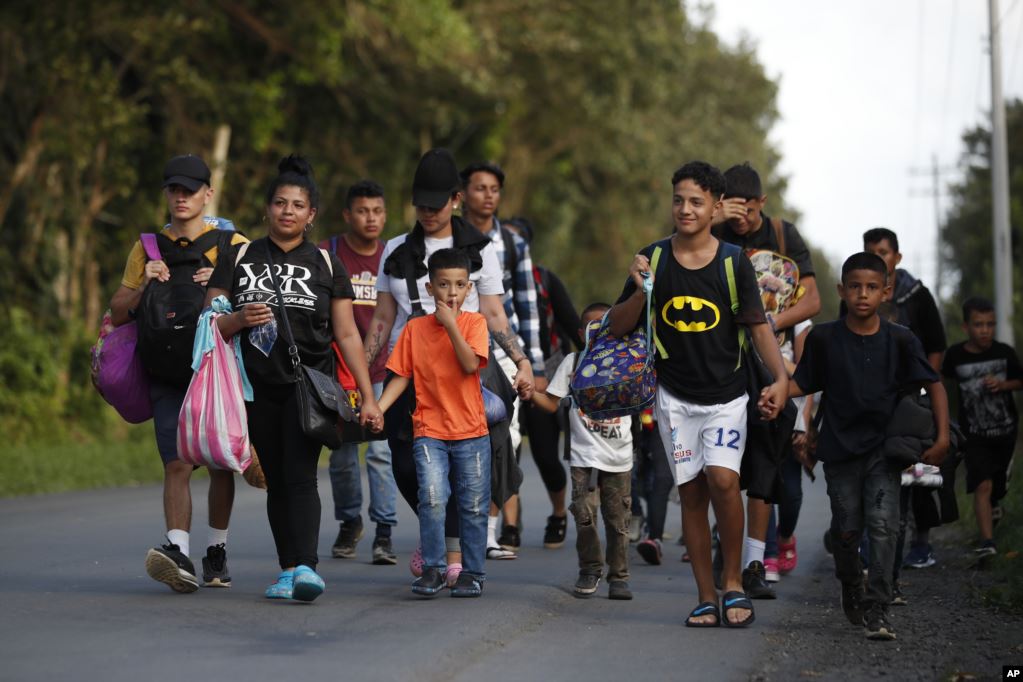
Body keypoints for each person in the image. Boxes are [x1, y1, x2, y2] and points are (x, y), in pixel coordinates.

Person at [608, 161, 788, 628]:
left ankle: (733, 582)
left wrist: (781, 378)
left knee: (724, 481)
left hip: (727, 397)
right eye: (678, 200)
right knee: (691, 493)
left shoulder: (733, 262)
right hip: (674, 400)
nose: (685, 209)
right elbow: (619, 325)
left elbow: (758, 327)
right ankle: (706, 596)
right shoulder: (653, 258)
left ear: (715, 208)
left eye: (696, 202)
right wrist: (641, 289)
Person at [208, 155, 382, 602]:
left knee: (301, 474)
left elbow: (347, 333)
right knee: (277, 479)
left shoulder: (326, 263)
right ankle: (288, 569)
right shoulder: (239, 256)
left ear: (311, 215)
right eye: (280, 203)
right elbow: (210, 324)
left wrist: (368, 396)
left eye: (298, 205)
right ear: (267, 208)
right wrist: (237, 319)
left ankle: (306, 567)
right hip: (252, 388)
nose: (288, 211)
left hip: (308, 387)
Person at [363, 148, 534, 581]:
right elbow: (382, 318)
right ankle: (436, 532)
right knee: (405, 464)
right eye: (420, 204)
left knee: (464, 467)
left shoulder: (480, 249)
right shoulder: (396, 250)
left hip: (464, 374)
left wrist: (521, 360)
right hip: (409, 371)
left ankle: (452, 554)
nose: (427, 212)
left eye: (436, 204)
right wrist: (362, 375)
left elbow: (494, 313)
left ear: (456, 200)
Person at [789, 251, 949, 640]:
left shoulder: (902, 339)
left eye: (872, 287)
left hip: (884, 450)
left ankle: (878, 606)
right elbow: (802, 383)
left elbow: (934, 385)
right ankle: (850, 583)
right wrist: (776, 394)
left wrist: (943, 436)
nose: (863, 294)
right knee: (847, 529)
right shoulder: (824, 338)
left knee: (882, 525)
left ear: (886, 292)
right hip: (839, 449)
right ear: (841, 290)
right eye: (855, 287)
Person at [109, 154, 248, 593]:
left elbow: (256, 301)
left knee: (219, 464)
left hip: (214, 371)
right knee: (176, 463)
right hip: (166, 371)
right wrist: (146, 285)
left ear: (209, 194)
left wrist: (222, 285)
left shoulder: (232, 243)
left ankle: (216, 551)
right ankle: (178, 552)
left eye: (190, 189)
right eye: (174, 189)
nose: (181, 197)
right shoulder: (146, 247)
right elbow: (118, 312)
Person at [714, 162, 821, 600]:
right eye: (732, 207)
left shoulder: (782, 235)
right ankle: (728, 548)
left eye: (749, 208)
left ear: (761, 202)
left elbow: (812, 300)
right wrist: (714, 221)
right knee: (722, 468)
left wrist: (768, 322)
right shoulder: (712, 232)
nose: (741, 217)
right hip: (720, 364)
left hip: (772, 364)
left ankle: (758, 559)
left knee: (766, 463)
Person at [377, 248, 492, 598]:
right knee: (432, 498)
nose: (452, 293)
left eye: (459, 285)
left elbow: (469, 364)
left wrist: (451, 325)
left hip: (471, 432)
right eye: (443, 284)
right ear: (430, 288)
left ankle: (473, 573)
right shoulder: (415, 329)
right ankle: (433, 569)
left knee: (473, 504)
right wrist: (378, 408)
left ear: (469, 288)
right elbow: (401, 375)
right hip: (428, 430)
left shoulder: (475, 323)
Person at [460, 163, 545, 553]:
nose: (488, 195)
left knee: (503, 440)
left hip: (502, 354)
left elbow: (527, 305)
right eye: (479, 188)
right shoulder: (450, 237)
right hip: (456, 352)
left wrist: (533, 363)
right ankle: (456, 529)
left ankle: (489, 532)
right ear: (462, 194)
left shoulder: (512, 244)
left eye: (494, 189)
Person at [529, 302, 635, 599]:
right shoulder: (574, 362)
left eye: (606, 325)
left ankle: (619, 576)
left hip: (618, 456)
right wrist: (530, 393)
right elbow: (552, 403)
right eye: (592, 327)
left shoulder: (629, 361)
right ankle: (590, 568)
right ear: (581, 333)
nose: (599, 331)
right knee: (584, 514)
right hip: (583, 456)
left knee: (618, 519)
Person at [861, 227, 948, 573]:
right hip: (870, 400)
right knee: (871, 470)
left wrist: (923, 388)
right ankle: (870, 545)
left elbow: (936, 346)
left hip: (913, 397)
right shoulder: (857, 293)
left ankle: (920, 543)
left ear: (896, 257)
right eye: (871, 252)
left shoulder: (917, 295)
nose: (878, 258)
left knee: (916, 471)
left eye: (883, 253)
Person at [321, 180, 398, 565]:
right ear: (347, 215)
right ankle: (350, 522)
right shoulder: (327, 254)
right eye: (363, 211)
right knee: (343, 455)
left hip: (382, 371)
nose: (371, 218)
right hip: (338, 373)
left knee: (381, 453)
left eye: (378, 211)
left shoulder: (392, 256)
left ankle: (384, 531)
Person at [503, 215, 585, 549]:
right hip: (502, 375)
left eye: (514, 241)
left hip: (543, 378)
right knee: (506, 453)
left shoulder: (545, 280)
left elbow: (573, 323)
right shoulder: (481, 280)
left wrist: (596, 365)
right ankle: (510, 523)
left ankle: (558, 513)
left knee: (546, 455)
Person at [941, 296, 1021, 556]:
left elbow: (1020, 380)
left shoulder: (1004, 353)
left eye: (990, 324)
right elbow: (941, 384)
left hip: (1005, 432)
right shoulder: (955, 356)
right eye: (978, 325)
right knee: (982, 485)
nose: (985, 330)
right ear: (966, 327)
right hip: (973, 434)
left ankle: (995, 505)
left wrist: (1003, 385)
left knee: (998, 487)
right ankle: (988, 543)